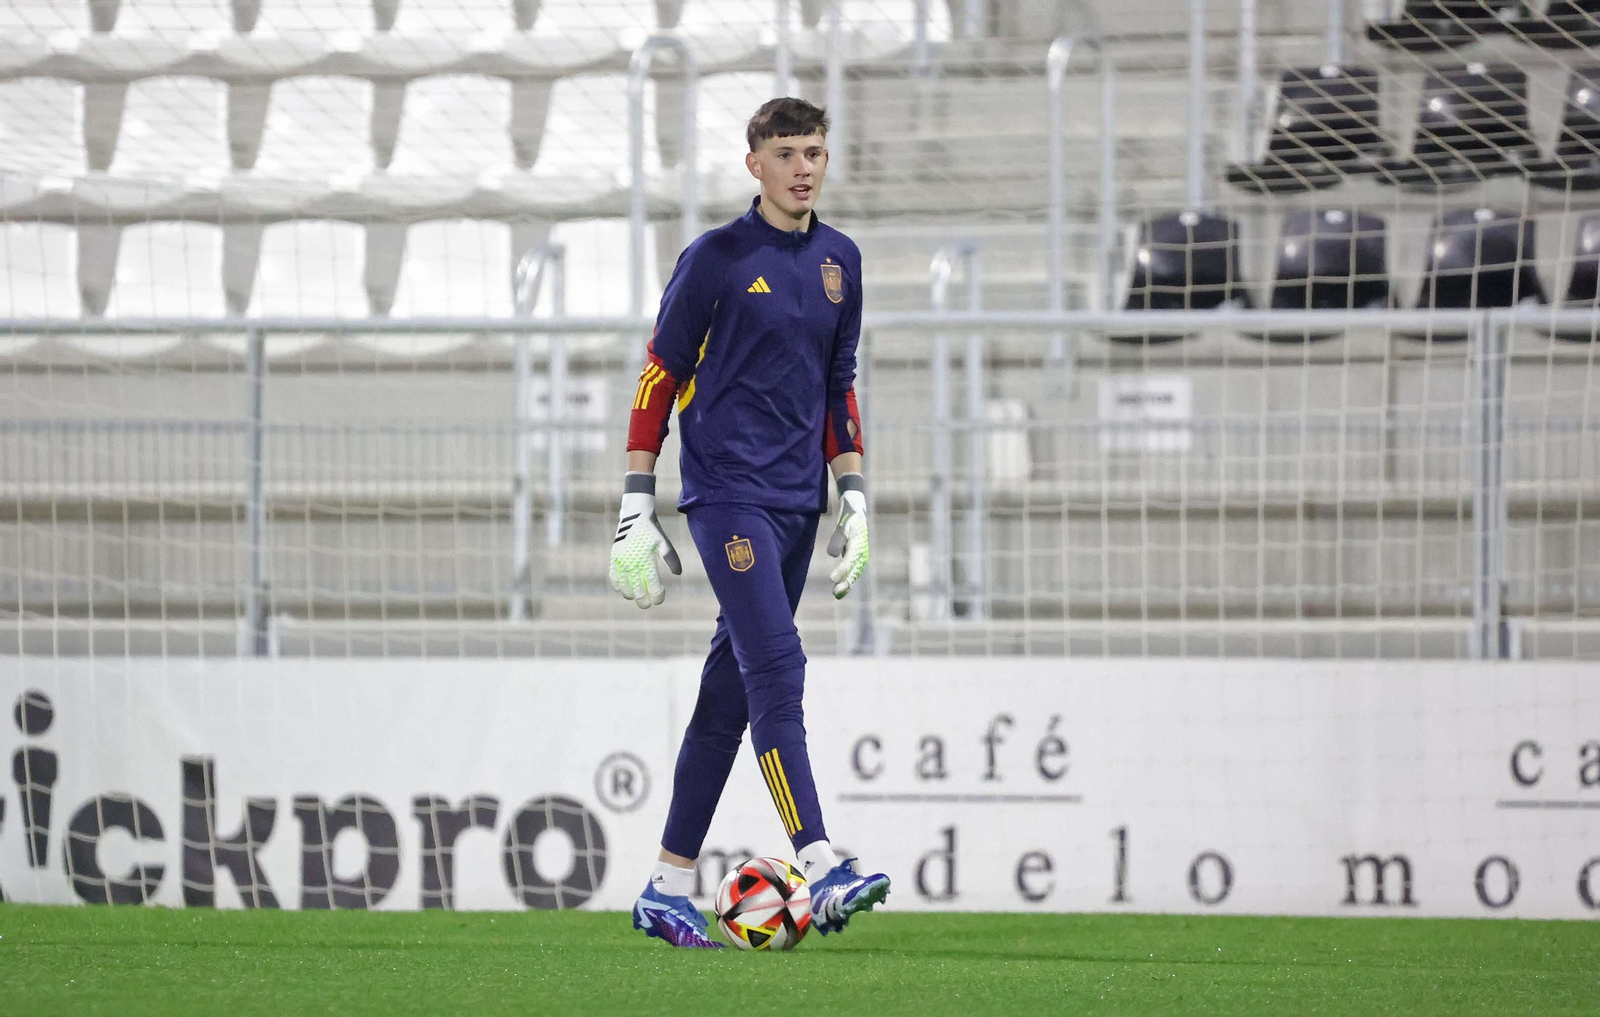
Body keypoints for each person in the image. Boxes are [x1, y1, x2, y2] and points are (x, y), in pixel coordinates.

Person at [608, 96, 889, 949]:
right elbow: (659, 376)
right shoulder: (717, 259)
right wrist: (634, 503)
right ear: (754, 164)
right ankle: (820, 860)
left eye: (817, 152)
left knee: (726, 697)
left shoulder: (842, 261)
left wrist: (855, 491)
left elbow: (838, 385)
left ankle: (666, 884)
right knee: (777, 664)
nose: (806, 166)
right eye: (789, 152)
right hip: (728, 498)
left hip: (800, 502)